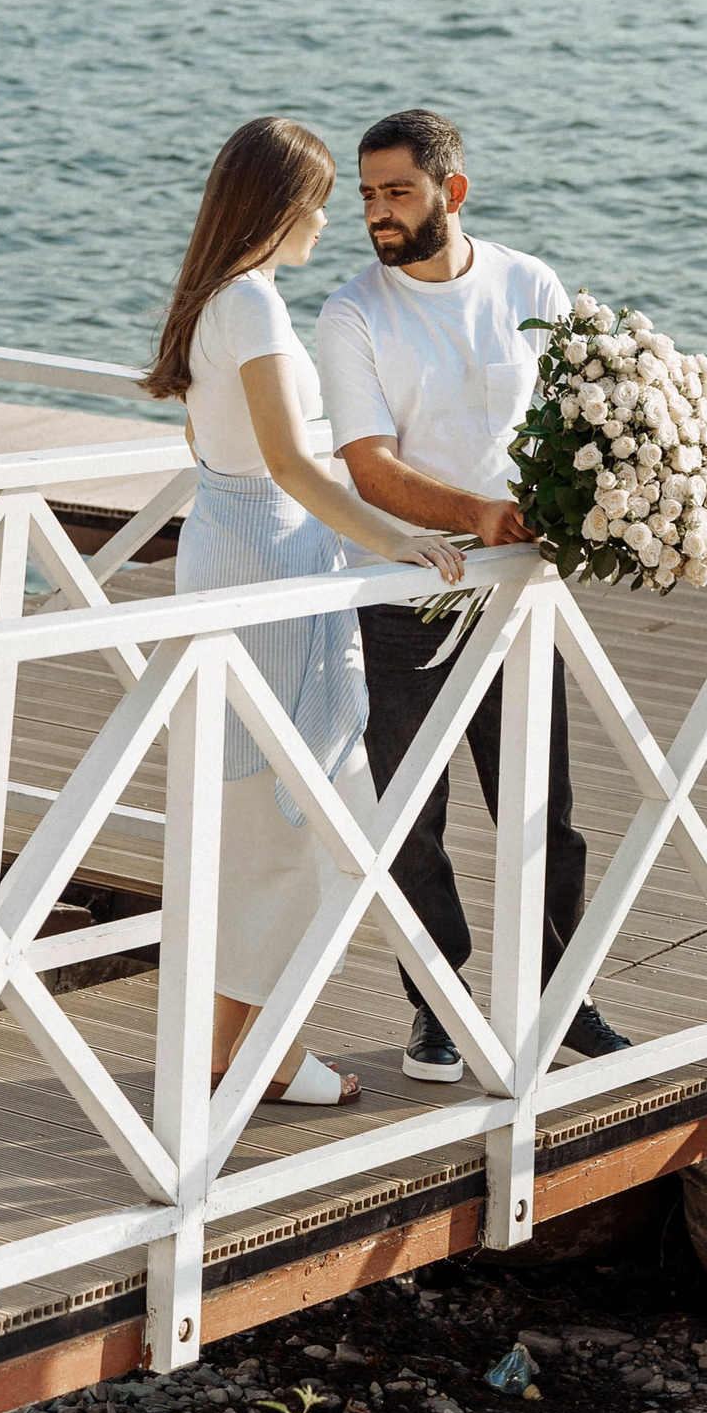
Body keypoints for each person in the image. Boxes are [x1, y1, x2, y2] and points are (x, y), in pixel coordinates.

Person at [143, 115, 465, 1105]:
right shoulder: (251, 307)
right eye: (321, 203)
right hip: (267, 571)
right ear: (280, 206)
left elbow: (226, 450)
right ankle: (262, 1054)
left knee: (277, 825)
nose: (330, 222)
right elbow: (288, 462)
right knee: (307, 825)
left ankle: (242, 1050)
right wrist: (392, 538)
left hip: (239, 554)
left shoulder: (217, 302)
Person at [316, 107, 629, 1083]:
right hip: (402, 593)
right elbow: (370, 469)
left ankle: (561, 997)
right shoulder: (351, 314)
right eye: (368, 194)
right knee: (412, 820)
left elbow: (578, 424)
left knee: (546, 811)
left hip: (518, 595)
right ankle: (437, 1006)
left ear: (451, 191)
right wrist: (475, 513)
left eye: (398, 192)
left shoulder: (530, 286)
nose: (378, 212)